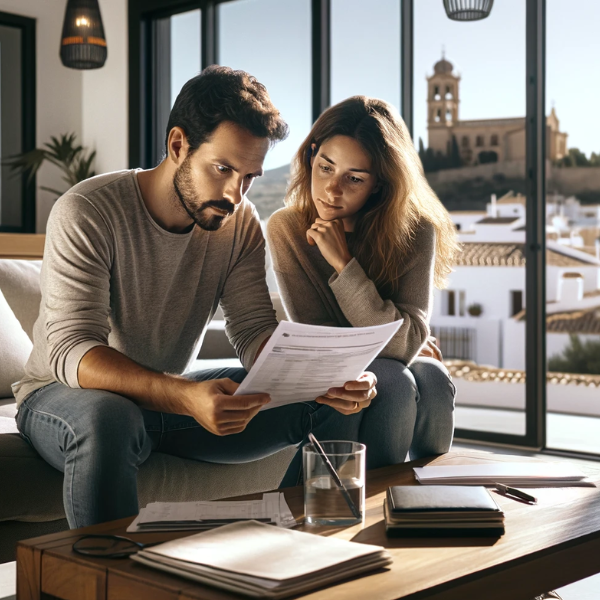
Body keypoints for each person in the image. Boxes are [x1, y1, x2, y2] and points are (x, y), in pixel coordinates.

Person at [13, 67, 377, 529]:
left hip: (172, 397)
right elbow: (72, 351)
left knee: (326, 400)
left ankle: (301, 548)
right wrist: (185, 396)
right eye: (223, 169)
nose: (234, 194)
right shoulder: (88, 211)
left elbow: (252, 331)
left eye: (248, 177)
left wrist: (322, 377)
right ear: (178, 145)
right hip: (65, 396)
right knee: (111, 417)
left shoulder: (240, 222)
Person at [267, 96, 459, 473]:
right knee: (394, 379)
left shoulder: (416, 230)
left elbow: (406, 341)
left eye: (353, 178)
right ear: (311, 157)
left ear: (379, 185)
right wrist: (395, 339)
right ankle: (377, 508)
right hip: (354, 371)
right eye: (325, 167)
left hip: (390, 360)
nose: (331, 190)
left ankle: (437, 499)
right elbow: (320, 337)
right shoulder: (286, 229)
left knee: (433, 378)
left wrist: (344, 263)